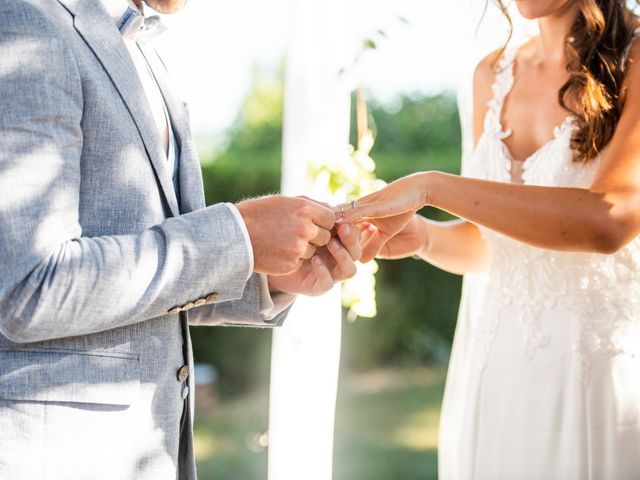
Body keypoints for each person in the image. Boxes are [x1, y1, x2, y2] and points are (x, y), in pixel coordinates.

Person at [0, 0, 361, 478]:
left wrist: (266, 274)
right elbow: (30, 285)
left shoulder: (146, 53)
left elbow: (156, 277)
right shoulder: (27, 20)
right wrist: (240, 235)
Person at [338, 0, 640, 477]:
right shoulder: (490, 75)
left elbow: (612, 220)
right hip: (496, 377)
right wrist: (423, 237)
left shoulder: (635, 61)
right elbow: (491, 244)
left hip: (594, 383)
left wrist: (431, 186)